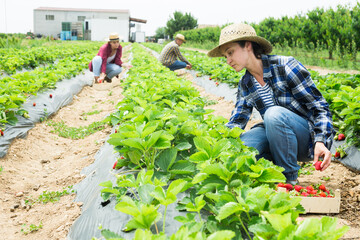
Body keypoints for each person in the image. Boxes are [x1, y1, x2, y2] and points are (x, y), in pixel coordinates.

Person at [207, 23, 334, 185]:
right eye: (225, 56)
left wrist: (320, 141)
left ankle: (289, 179)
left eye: (230, 52)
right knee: (244, 147)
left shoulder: (285, 66)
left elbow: (320, 107)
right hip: (277, 136)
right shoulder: (245, 84)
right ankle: (270, 175)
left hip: (308, 139)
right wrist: (218, 146)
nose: (228, 60)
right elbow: (237, 122)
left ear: (247, 45)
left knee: (273, 114)